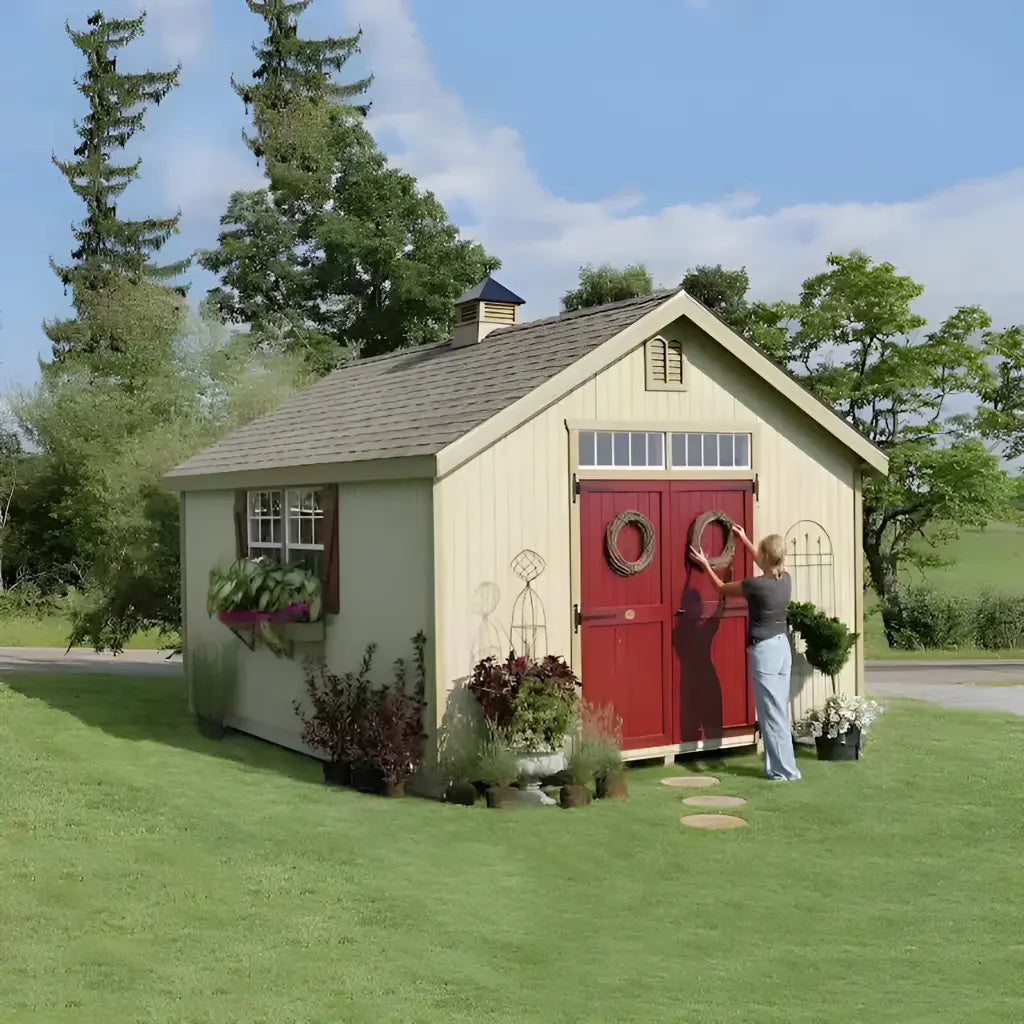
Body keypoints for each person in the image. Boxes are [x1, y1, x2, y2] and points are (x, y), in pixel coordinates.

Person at [688, 524, 801, 781]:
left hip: (766, 652)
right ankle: (777, 768)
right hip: (783, 648)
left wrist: (705, 563)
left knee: (772, 713)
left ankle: (786, 771)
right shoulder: (785, 579)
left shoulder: (755, 586)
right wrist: (745, 539)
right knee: (777, 710)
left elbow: (721, 587)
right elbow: (765, 562)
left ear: (765, 555)